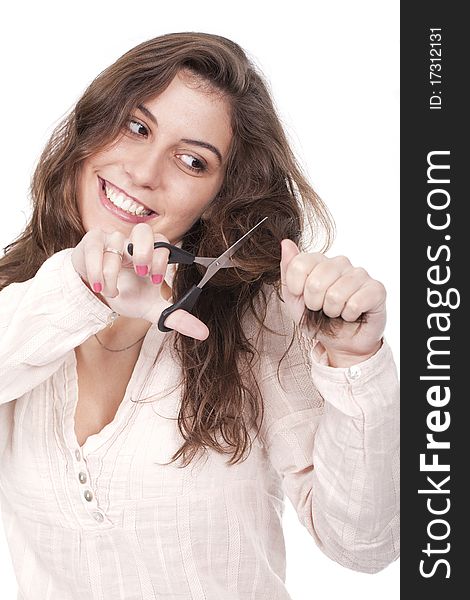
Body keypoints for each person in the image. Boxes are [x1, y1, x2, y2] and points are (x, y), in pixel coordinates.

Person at [0, 32, 399, 599]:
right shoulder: (19, 300)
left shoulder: (262, 322)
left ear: (219, 196)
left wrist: (353, 364)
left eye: (192, 160)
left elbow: (365, 546)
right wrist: (78, 293)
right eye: (136, 127)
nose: (142, 171)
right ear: (88, 133)